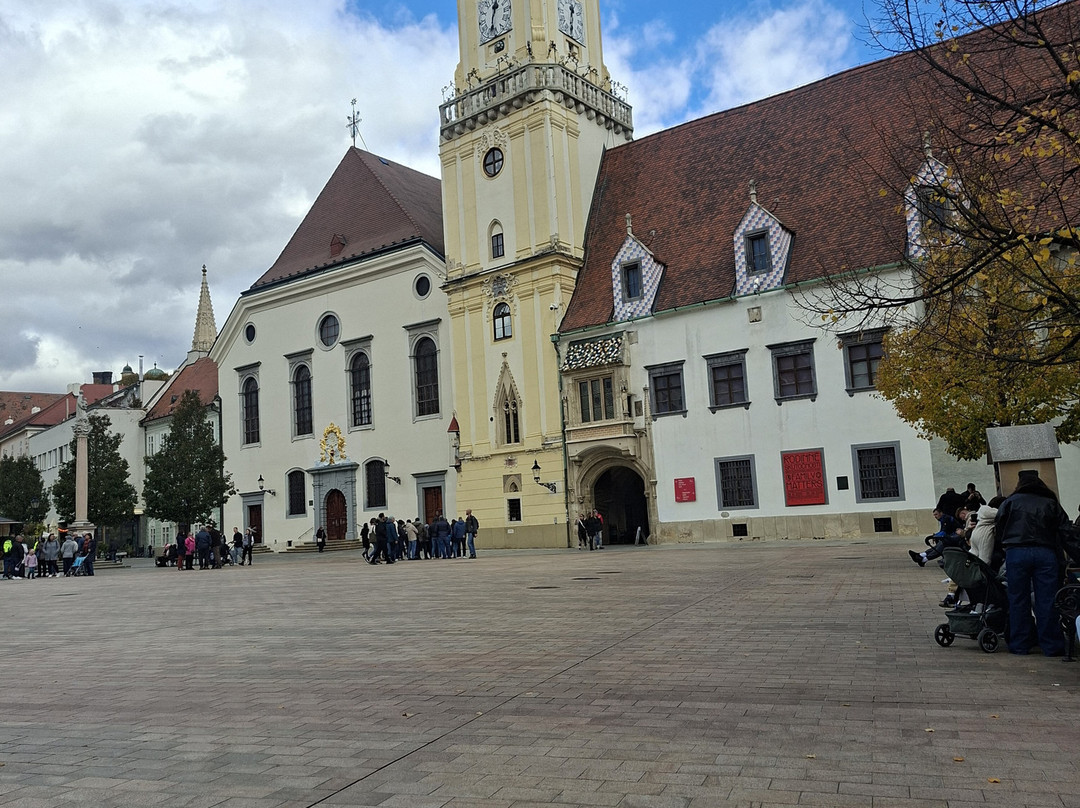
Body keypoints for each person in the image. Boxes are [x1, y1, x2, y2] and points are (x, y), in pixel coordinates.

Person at [996, 471, 1069, 656]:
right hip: (1045, 552)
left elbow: (999, 528)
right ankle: (1051, 646)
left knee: (1018, 600)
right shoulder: (1050, 503)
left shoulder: (1010, 502)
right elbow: (1065, 531)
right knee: (1047, 600)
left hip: (1016, 552)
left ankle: (1020, 644)